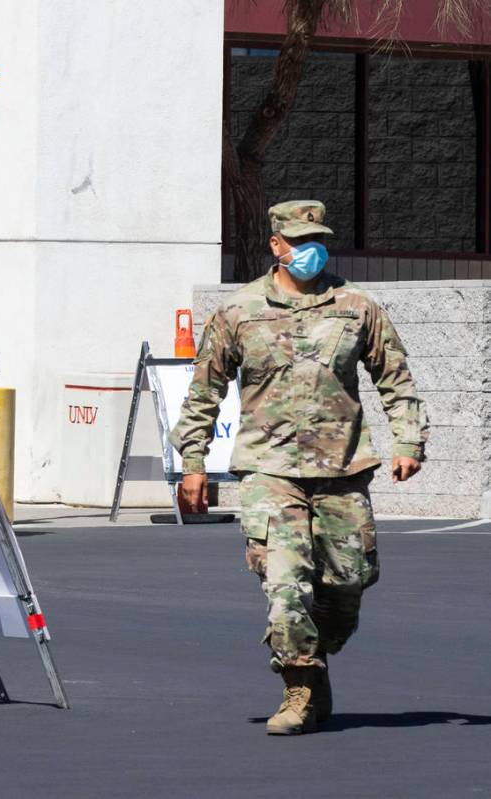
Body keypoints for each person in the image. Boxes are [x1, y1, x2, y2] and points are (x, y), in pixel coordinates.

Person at [169, 200, 429, 735]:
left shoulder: (356, 307)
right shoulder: (239, 312)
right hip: (270, 471)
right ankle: (300, 687)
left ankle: (317, 656)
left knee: (348, 583)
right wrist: (193, 462)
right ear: (276, 245)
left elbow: (395, 380)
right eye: (300, 239)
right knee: (286, 590)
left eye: (318, 238)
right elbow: (203, 394)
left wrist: (409, 441)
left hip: (343, 469)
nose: (311, 248)